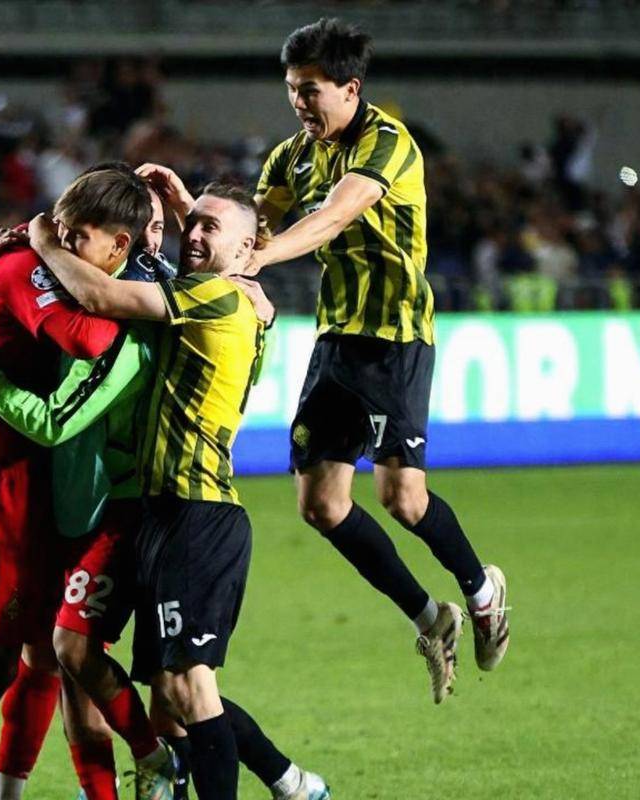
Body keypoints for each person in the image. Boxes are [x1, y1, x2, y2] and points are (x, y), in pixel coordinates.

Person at [24, 178, 331, 799]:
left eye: (209, 227)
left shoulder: (216, 296)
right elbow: (192, 257)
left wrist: (44, 242)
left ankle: (284, 784)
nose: (193, 233)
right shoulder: (225, 295)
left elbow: (99, 293)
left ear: (246, 251)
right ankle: (292, 782)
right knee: (169, 690)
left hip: (200, 513)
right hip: (159, 513)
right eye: (191, 223)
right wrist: (194, 213)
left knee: (189, 688)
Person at [247, 17, 509, 702]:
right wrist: (196, 213)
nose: (299, 102)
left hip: (395, 337)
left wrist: (262, 256)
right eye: (291, 89)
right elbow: (252, 221)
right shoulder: (291, 157)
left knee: (402, 498)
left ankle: (482, 593)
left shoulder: (388, 144)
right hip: (337, 338)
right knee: (321, 505)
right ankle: (430, 617)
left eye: (310, 90)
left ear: (350, 88)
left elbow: (336, 214)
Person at [0, 168, 168, 800]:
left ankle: (13, 791)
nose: (62, 245)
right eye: (62, 230)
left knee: (55, 657)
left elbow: (42, 391)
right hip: (9, 488)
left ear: (122, 245)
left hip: (74, 497)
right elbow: (68, 334)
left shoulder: (127, 300)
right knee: (1, 662)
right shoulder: (36, 271)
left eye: (77, 237)